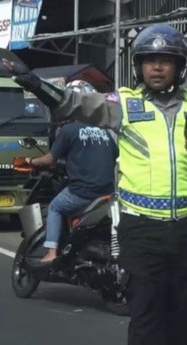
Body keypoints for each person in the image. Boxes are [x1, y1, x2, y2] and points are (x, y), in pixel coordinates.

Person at [4, 23, 187, 345]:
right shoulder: (122, 104)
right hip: (141, 230)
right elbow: (74, 105)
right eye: (149, 60)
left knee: (186, 308)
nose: (156, 67)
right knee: (145, 310)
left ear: (179, 66)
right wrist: (35, 84)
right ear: (139, 66)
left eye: (165, 60)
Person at [25, 79, 118, 263]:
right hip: (106, 193)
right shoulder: (105, 133)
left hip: (82, 193)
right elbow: (113, 156)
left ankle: (52, 253)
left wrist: (31, 161)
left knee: (55, 207)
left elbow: (49, 159)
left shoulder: (68, 130)